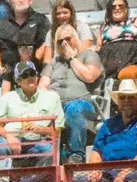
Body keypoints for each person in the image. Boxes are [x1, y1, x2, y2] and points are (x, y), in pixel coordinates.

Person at [0, 62, 65, 182]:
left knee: (48, 152)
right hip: (11, 138)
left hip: (38, 140)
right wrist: (9, 137)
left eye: (32, 73)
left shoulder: (52, 97)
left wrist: (39, 129)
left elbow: (57, 131)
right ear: (18, 81)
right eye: (25, 75)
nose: (30, 77)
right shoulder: (8, 98)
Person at [39, 25, 104, 163]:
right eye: (60, 41)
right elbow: (42, 85)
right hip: (56, 106)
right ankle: (47, 158)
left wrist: (72, 58)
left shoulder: (89, 55)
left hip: (84, 103)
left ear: (76, 38)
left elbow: (89, 76)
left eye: (68, 39)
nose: (64, 43)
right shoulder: (54, 63)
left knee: (73, 108)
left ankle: (76, 155)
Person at [87, 78, 137, 182]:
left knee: (133, 179)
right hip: (108, 170)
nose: (126, 101)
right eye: (122, 97)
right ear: (118, 101)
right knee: (82, 181)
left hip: (135, 170)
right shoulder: (108, 123)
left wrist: (125, 172)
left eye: (130, 97)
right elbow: (97, 150)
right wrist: (96, 169)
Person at [0, 0, 52, 91]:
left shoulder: (41, 20)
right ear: (11, 2)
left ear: (30, 0)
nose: (21, 0)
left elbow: (45, 45)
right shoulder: (1, 23)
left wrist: (28, 63)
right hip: (6, 70)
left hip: (32, 69)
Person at [98, 0, 137, 78]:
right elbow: (99, 46)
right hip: (109, 59)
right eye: (113, 6)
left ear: (126, 8)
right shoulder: (104, 27)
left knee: (127, 74)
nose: (117, 8)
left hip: (132, 57)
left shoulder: (136, 21)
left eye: (121, 6)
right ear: (109, 10)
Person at [39, 0, 95, 64]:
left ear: (71, 14)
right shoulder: (50, 33)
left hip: (78, 64)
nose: (62, 16)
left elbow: (86, 54)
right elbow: (47, 60)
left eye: (65, 12)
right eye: (58, 13)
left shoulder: (83, 28)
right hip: (57, 67)